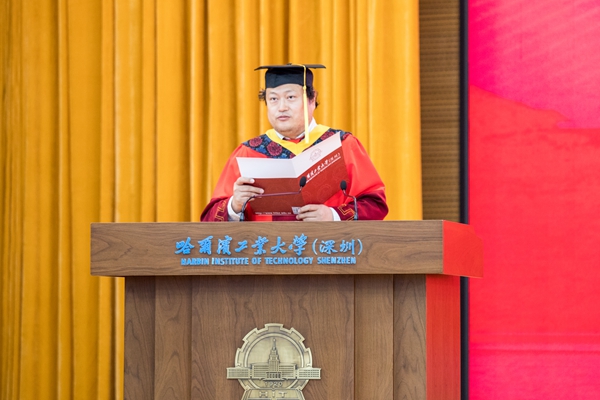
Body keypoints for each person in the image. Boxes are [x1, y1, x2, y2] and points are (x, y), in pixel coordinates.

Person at [201, 64, 388, 222]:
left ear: (312, 99)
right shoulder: (249, 152)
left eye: (290, 97)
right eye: (273, 99)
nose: (281, 107)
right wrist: (234, 205)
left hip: (330, 250)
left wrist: (333, 215)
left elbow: (375, 204)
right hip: (268, 251)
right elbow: (209, 219)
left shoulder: (342, 145)